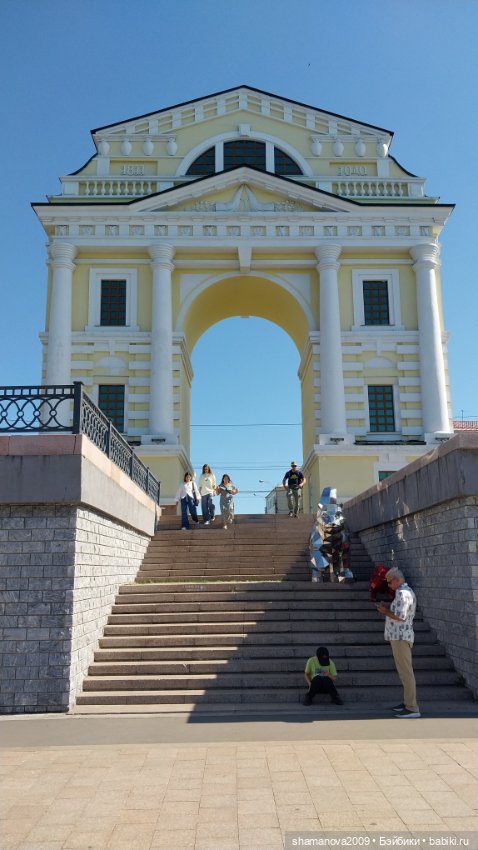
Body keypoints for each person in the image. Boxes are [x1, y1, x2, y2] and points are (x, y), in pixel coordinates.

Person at [376, 567, 420, 718]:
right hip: (400, 636)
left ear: (396, 580)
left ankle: (412, 707)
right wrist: (388, 607)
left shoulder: (402, 593)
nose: (389, 585)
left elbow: (400, 616)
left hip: (400, 637)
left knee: (406, 672)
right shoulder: (404, 593)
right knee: (404, 672)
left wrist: (384, 611)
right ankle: (408, 702)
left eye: (389, 582)